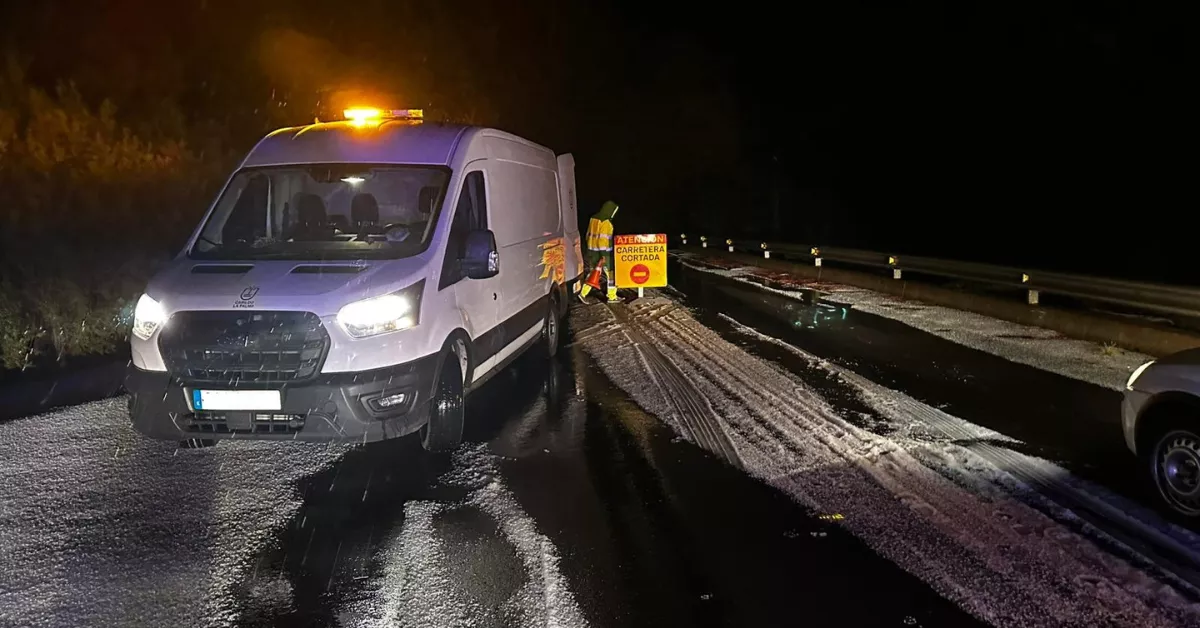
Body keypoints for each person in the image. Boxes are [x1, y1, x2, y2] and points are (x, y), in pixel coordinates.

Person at [579, 200, 619, 302]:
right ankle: (612, 296)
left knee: (594, 273)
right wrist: (604, 255)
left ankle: (583, 293)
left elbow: (588, 235)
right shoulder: (606, 223)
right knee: (611, 275)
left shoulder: (593, 219)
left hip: (592, 251)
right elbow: (603, 240)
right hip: (604, 253)